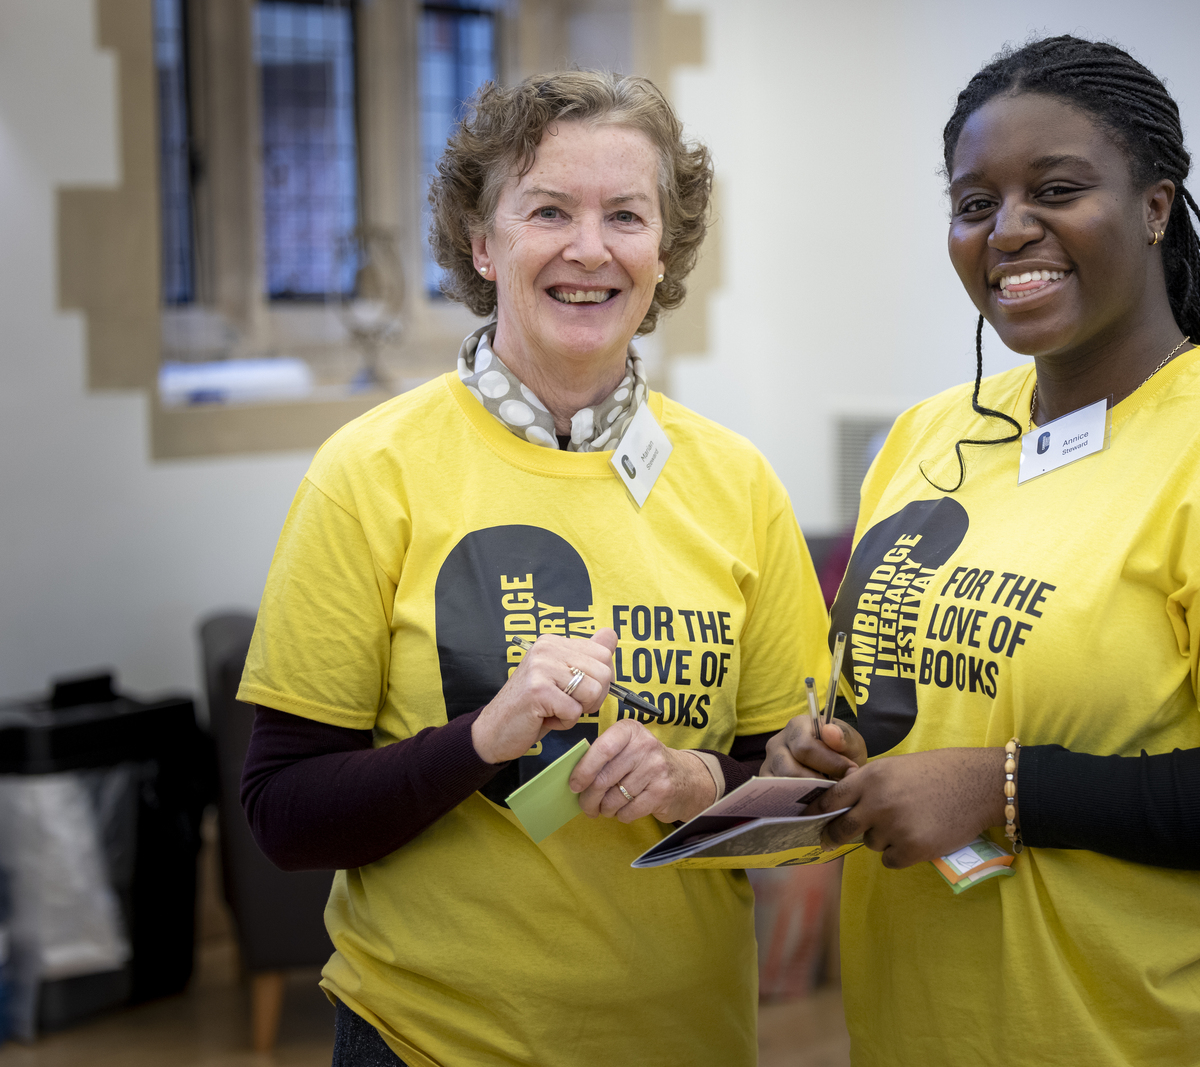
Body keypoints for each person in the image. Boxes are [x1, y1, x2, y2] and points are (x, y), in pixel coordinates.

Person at [764, 36, 1200, 1066]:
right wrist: (817, 751)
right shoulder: (923, 439)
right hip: (921, 1031)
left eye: (1056, 188)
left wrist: (1000, 787)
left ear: (1154, 207)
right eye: (973, 203)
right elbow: (899, 707)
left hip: (1144, 1038)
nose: (1008, 230)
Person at [236, 71, 830, 1067]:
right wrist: (480, 740)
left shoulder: (739, 483)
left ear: (664, 249)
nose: (588, 248)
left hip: (685, 1038)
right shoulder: (369, 471)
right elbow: (285, 814)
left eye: (625, 215)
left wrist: (691, 779)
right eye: (548, 208)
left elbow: (803, 798)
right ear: (482, 240)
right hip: (425, 1040)